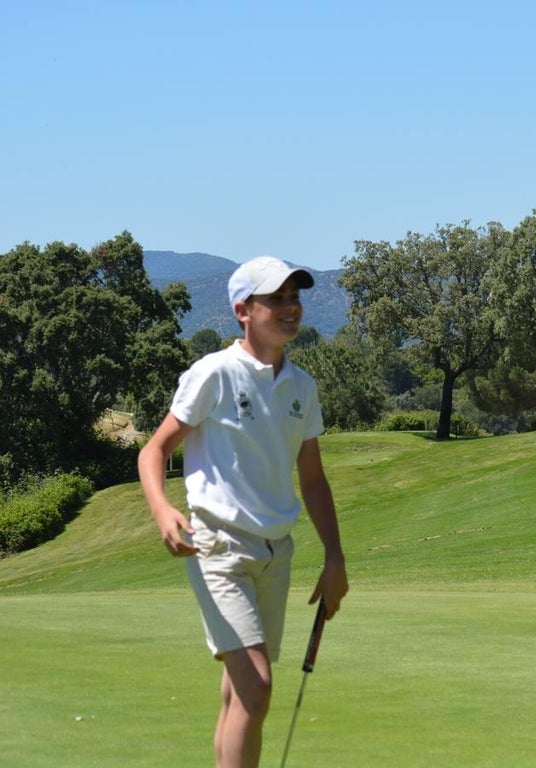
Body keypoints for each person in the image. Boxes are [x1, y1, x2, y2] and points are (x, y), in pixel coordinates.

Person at [138, 255, 349, 768]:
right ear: (243, 311)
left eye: (294, 297)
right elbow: (153, 451)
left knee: (239, 692)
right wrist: (163, 510)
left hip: (277, 553)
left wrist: (335, 557)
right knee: (256, 687)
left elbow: (313, 479)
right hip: (219, 546)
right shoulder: (214, 373)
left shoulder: (302, 387)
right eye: (275, 299)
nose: (290, 307)